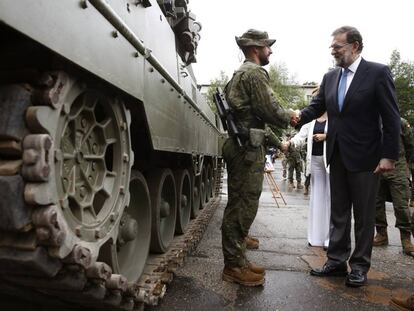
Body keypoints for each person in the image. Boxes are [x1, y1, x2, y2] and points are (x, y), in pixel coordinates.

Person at [294, 26, 400, 287]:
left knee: (364, 216)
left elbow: (391, 117)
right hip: (337, 154)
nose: (333, 52)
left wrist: (389, 156)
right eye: (332, 48)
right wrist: (296, 116)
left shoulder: (377, 73)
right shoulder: (330, 77)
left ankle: (360, 266)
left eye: (337, 47)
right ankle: (336, 261)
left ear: (355, 46)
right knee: (338, 211)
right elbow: (317, 106)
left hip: (367, 157)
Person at [221, 29, 297, 286]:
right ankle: (233, 266)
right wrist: (291, 115)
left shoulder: (238, 74)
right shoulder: (254, 73)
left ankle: (238, 260)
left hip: (241, 144)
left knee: (240, 202)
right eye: (268, 46)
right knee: (243, 205)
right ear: (256, 48)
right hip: (246, 148)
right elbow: (271, 110)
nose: (271, 51)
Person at [373, 118, 414, 257]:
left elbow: (410, 146)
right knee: (376, 204)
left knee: (401, 205)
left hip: (398, 168)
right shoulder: (371, 121)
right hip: (376, 168)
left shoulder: (400, 122)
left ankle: (406, 238)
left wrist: (405, 165)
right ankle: (381, 233)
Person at [290, 111, 330, 249]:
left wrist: (326, 136)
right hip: (314, 161)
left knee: (331, 198)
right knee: (317, 198)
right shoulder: (311, 120)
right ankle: (316, 238)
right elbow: (300, 137)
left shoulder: (336, 114)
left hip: (331, 162)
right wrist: (289, 143)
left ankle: (330, 239)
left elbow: (344, 132)